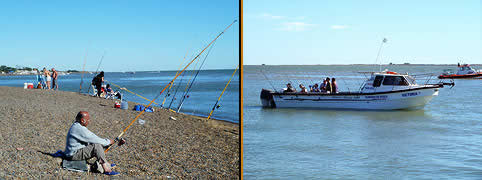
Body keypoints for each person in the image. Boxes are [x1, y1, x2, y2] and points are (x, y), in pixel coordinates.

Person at [64, 111, 122, 175]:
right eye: (88, 119)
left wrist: (112, 142)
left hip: (75, 152)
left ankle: (106, 164)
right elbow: (95, 139)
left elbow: (91, 140)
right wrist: (109, 142)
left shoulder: (76, 126)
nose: (89, 121)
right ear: (82, 120)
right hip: (73, 155)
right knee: (96, 145)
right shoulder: (79, 129)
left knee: (99, 145)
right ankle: (106, 169)